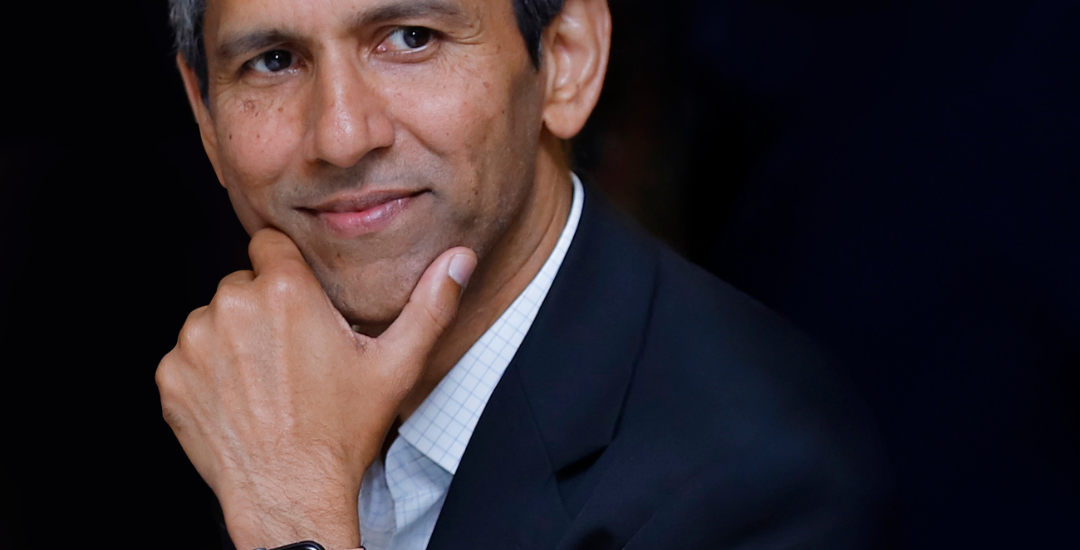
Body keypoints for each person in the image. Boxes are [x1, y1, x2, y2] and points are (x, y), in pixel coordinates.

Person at [155, 0, 888, 549]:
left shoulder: (762, 483)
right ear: (206, 115)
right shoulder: (224, 387)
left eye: (412, 38)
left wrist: (293, 525)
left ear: (566, 61)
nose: (342, 136)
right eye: (274, 61)